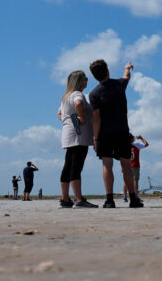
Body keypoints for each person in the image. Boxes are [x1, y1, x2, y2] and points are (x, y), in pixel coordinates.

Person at [88, 59, 143, 208]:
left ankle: (109, 200)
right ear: (107, 71)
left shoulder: (94, 94)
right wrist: (127, 68)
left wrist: (95, 138)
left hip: (105, 133)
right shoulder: (119, 85)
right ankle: (133, 199)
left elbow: (96, 118)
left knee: (107, 165)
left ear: (94, 76)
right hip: (121, 131)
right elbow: (127, 77)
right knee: (126, 166)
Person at [58, 70, 97, 208]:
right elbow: (79, 103)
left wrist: (69, 120)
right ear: (80, 81)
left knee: (68, 166)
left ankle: (65, 198)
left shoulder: (65, 96)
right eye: (85, 79)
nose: (87, 81)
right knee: (76, 166)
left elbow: (59, 113)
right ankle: (79, 199)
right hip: (79, 135)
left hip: (68, 134)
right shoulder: (77, 94)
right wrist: (81, 118)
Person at [123, 134, 149, 202]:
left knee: (126, 181)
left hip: (126, 165)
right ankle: (136, 196)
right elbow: (146, 144)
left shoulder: (124, 146)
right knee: (135, 181)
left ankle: (125, 197)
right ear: (131, 139)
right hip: (135, 165)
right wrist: (141, 138)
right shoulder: (136, 144)